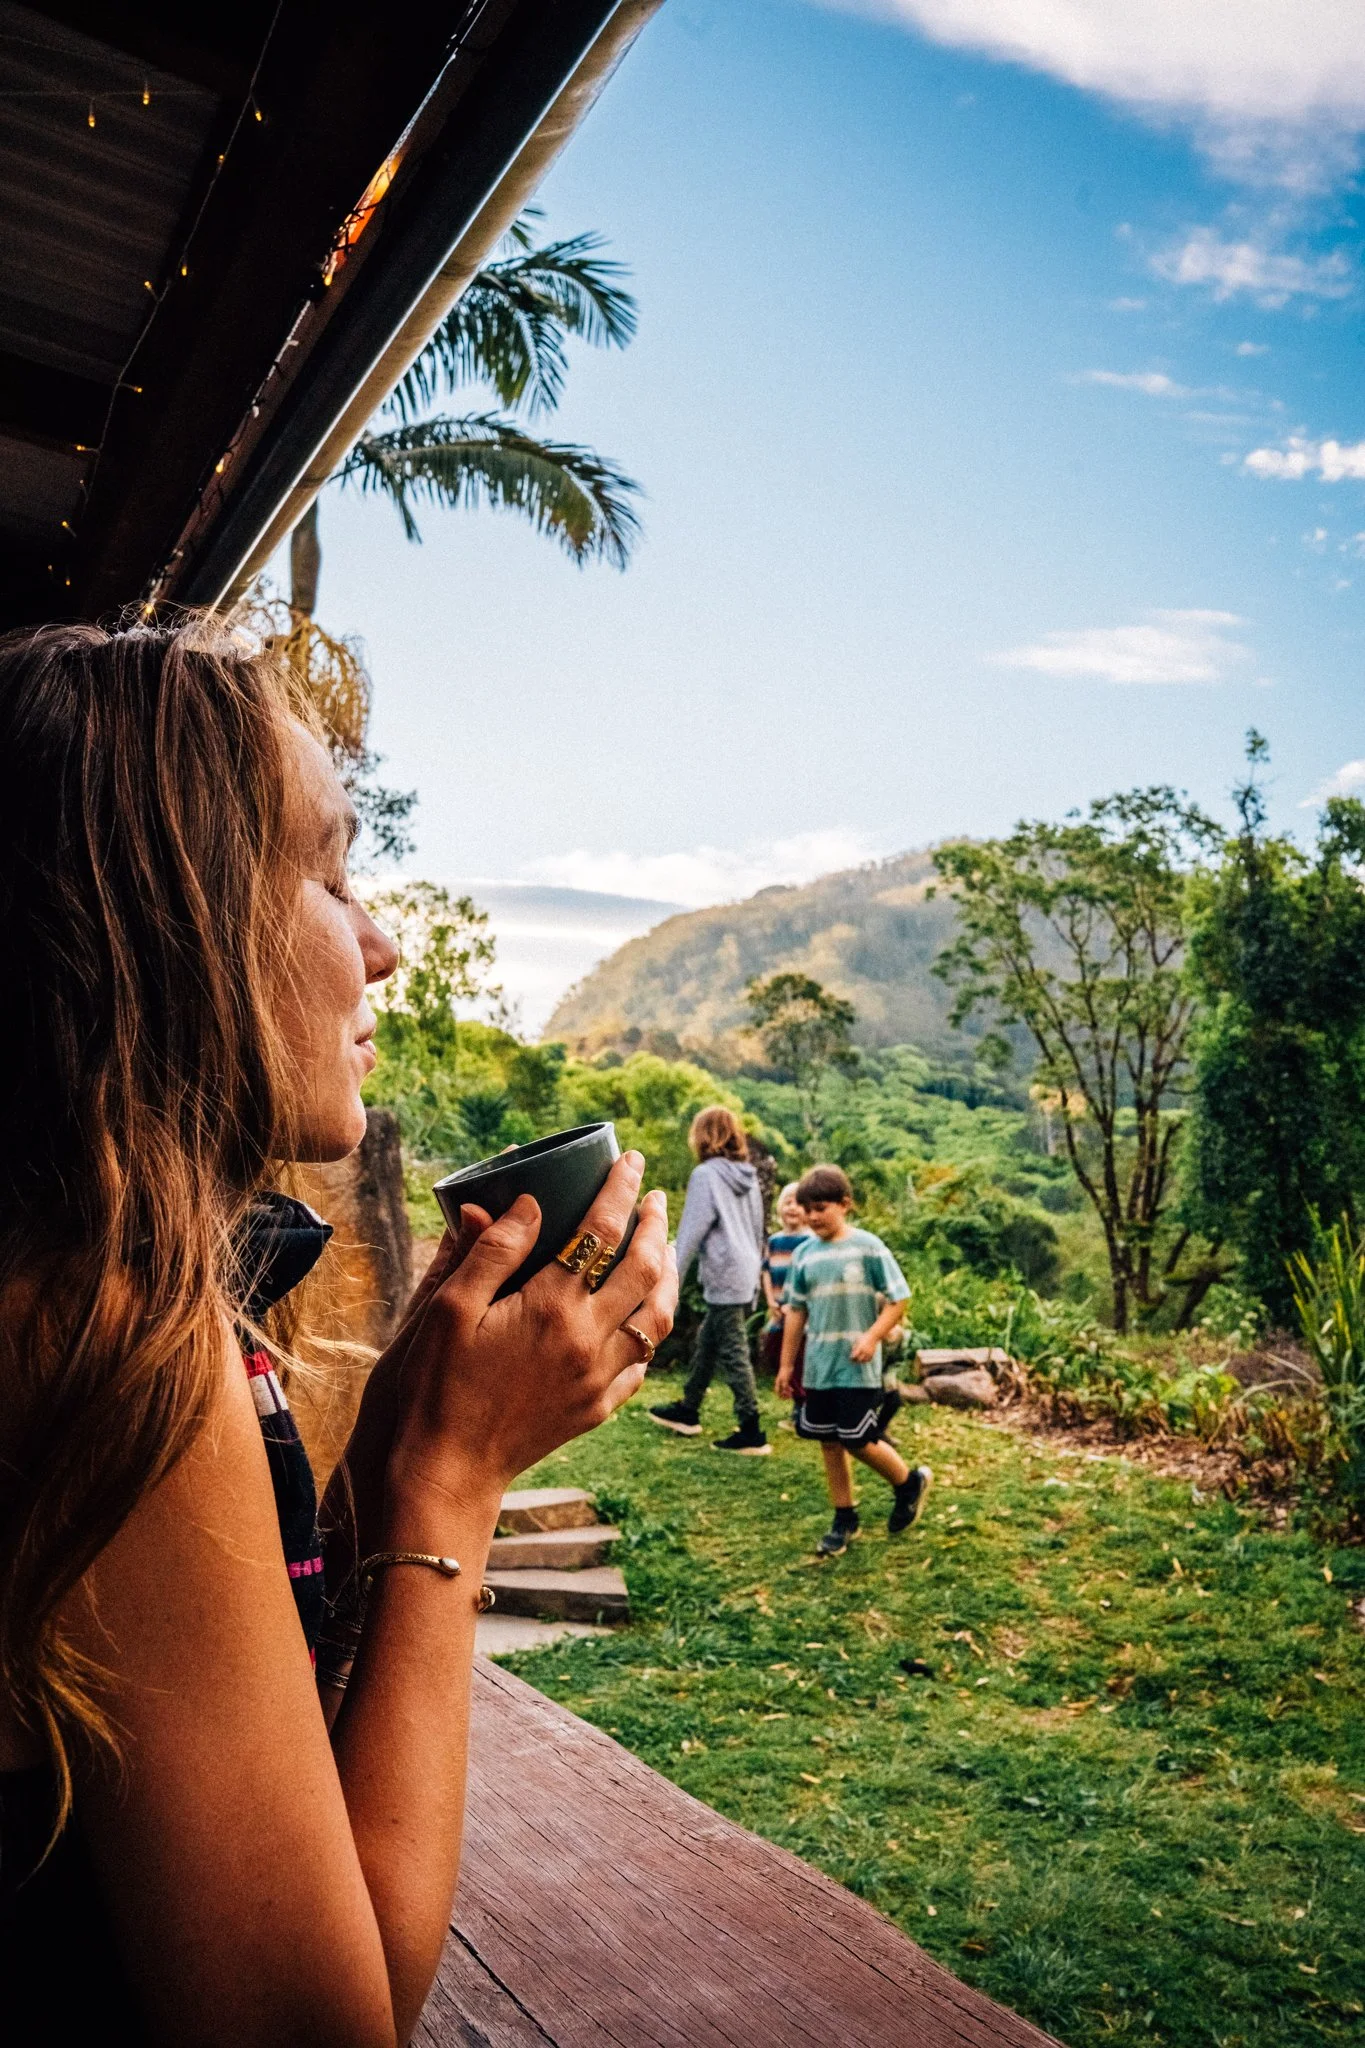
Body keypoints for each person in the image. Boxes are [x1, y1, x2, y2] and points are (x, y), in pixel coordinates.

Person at [0, 618, 677, 2048]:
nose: (380, 943)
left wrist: (378, 1462)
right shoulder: (99, 1330)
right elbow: (326, 2027)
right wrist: (452, 1488)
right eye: (326, 872)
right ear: (153, 911)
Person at [776, 1164, 931, 1555]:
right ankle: (844, 1518)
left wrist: (873, 1336)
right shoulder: (804, 1255)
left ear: (846, 1205)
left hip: (858, 1366)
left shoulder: (868, 1246)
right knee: (828, 1441)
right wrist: (786, 1365)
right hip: (819, 1367)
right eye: (806, 1208)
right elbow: (796, 1312)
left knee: (858, 1438)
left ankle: (907, 1483)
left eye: (821, 1207)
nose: (812, 1216)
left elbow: (899, 1299)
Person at [648, 1106, 769, 1454]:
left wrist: (669, 1277)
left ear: (702, 1136)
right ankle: (688, 1409)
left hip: (725, 1271)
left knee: (732, 1349)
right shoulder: (748, 1175)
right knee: (709, 1340)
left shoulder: (706, 1175)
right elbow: (759, 1231)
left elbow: (691, 1232)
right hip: (745, 1271)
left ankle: (752, 1429)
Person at [760, 1182, 810, 1389]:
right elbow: (766, 1271)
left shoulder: (809, 1241)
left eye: (798, 1203)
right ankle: (787, 1385)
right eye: (788, 1202)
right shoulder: (774, 1241)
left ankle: (801, 1402)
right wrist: (771, 1301)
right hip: (779, 1309)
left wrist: (797, 1306)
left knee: (801, 1356)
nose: (792, 1207)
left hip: (800, 1310)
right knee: (773, 1345)